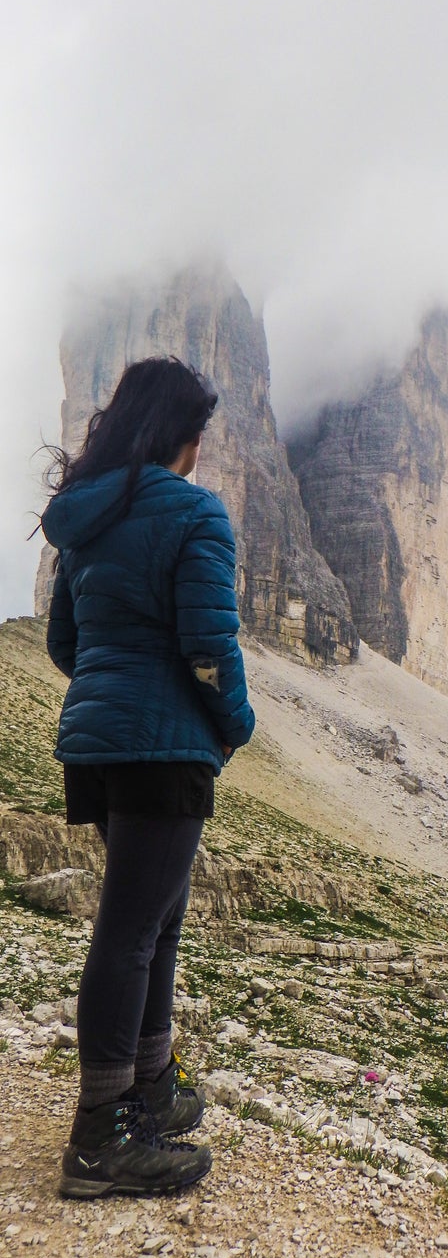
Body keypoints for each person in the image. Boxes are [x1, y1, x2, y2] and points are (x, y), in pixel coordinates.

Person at [41, 356, 255, 1199]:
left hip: (98, 749)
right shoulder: (195, 514)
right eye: (198, 431)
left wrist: (112, 685)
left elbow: (65, 644)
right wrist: (236, 724)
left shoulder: (89, 518)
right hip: (165, 749)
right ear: (183, 437)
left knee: (153, 921)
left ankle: (152, 1089)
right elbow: (209, 650)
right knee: (132, 931)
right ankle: (101, 1136)